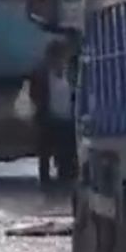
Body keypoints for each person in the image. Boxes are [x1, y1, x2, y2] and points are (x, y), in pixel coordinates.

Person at [30, 37, 77, 188]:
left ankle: (65, 181)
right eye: (56, 56)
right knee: (45, 154)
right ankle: (46, 184)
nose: (59, 59)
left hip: (69, 121)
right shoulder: (41, 73)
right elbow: (34, 94)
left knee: (67, 157)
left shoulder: (72, 72)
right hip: (49, 119)